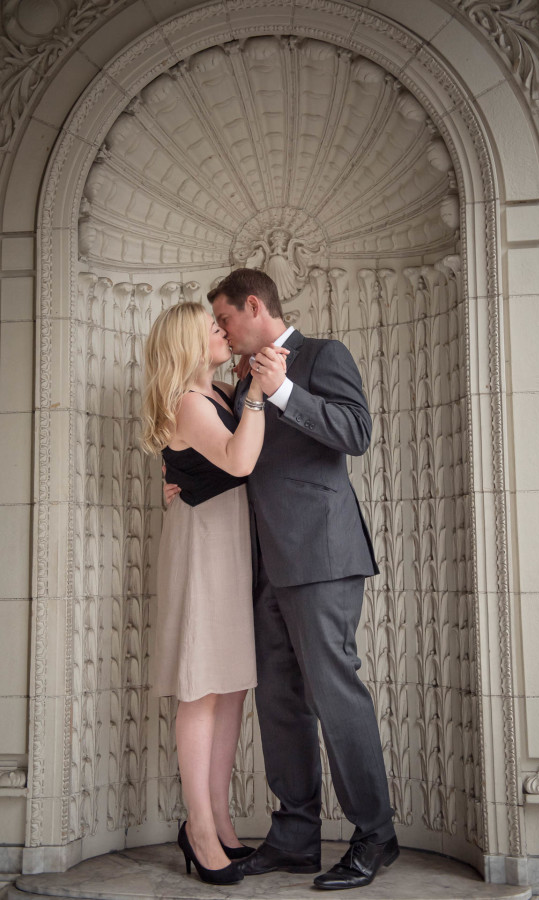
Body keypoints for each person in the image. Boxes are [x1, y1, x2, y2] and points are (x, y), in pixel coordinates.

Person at [165, 269, 399, 891]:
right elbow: (236, 458)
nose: (224, 333)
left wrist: (286, 390)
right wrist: (184, 480)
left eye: (226, 320)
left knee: (333, 694)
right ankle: (295, 835)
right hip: (260, 563)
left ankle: (375, 833)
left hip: (323, 558)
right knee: (279, 702)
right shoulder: (235, 380)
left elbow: (356, 433)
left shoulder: (323, 355)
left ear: (252, 306)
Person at [142, 300, 287, 886]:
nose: (222, 331)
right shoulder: (190, 402)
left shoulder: (220, 395)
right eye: (211, 328)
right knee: (201, 688)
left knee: (229, 688)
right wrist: (256, 392)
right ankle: (198, 829)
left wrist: (246, 391)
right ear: (187, 343)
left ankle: (222, 823)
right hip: (203, 548)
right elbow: (240, 458)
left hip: (230, 546)